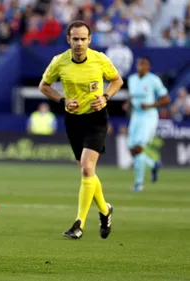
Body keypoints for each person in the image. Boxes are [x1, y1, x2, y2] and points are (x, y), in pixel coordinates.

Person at [38, 20, 124, 240]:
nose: (79, 43)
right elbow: (44, 86)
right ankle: (105, 210)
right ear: (68, 40)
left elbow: (117, 80)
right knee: (88, 171)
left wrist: (105, 97)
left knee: (87, 168)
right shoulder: (59, 62)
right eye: (75, 39)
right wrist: (62, 100)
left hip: (96, 119)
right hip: (74, 121)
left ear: (89, 40)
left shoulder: (100, 59)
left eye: (83, 39)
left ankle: (79, 224)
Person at [127, 57, 170, 192]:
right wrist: (127, 104)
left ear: (148, 67)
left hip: (148, 116)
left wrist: (151, 105)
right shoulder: (132, 79)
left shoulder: (154, 80)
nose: (141, 67)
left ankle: (139, 184)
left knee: (138, 148)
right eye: (139, 64)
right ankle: (153, 165)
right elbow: (132, 96)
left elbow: (166, 99)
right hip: (136, 116)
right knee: (131, 149)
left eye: (144, 64)